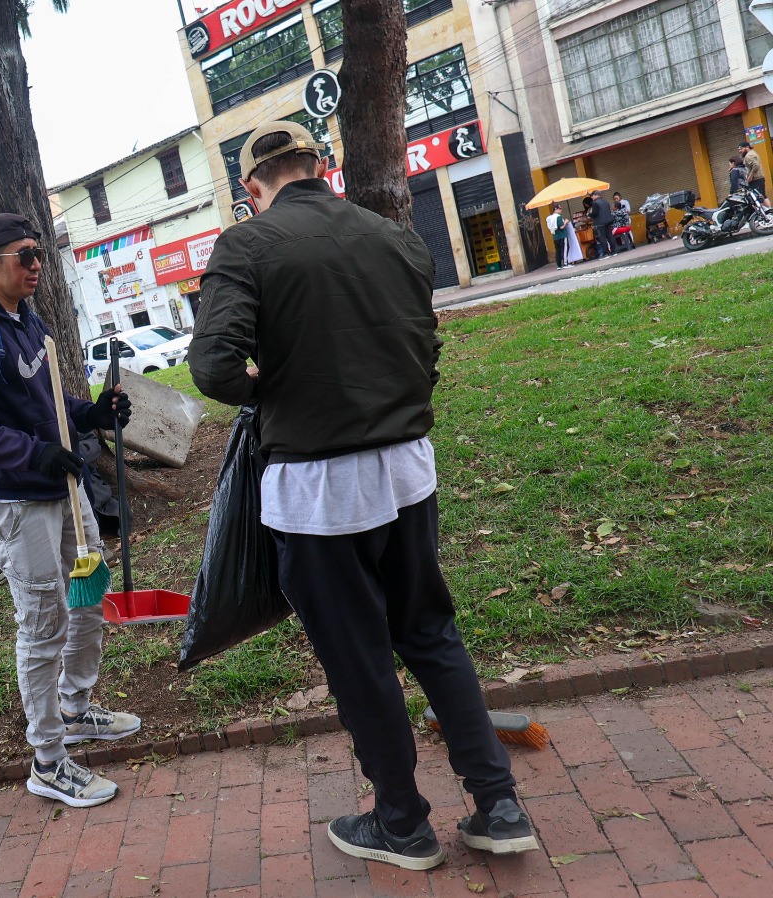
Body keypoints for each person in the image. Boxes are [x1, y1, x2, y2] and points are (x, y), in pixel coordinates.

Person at [189, 122, 537, 871]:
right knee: (433, 634)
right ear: (322, 167)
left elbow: (215, 368)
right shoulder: (395, 238)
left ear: (252, 190)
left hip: (319, 491)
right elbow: (426, 345)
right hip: (408, 469)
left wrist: (270, 388)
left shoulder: (246, 247)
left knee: (358, 658)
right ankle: (499, 804)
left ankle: (402, 822)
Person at [0, 213, 138, 808]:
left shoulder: (24, 319)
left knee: (87, 599)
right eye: (24, 255)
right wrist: (35, 454)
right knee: (44, 625)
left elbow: (44, 395)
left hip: (62, 491)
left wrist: (88, 414)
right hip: (21, 507)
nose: (35, 265)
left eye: (39, 254)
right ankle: (48, 761)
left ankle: (77, 709)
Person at [589, 190, 615, 258]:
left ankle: (606, 252)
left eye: (593, 196)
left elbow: (595, 214)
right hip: (608, 221)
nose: (592, 197)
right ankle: (614, 251)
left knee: (602, 238)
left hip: (600, 223)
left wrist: (589, 214)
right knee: (610, 236)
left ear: (596, 195)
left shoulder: (595, 203)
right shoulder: (606, 202)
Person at [546, 203, 568, 269]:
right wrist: (565, 222)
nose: (561, 210)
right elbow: (561, 227)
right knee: (564, 249)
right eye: (560, 209)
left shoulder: (549, 218)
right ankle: (565, 263)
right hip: (562, 235)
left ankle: (559, 265)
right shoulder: (558, 217)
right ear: (555, 209)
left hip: (555, 237)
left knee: (557, 251)